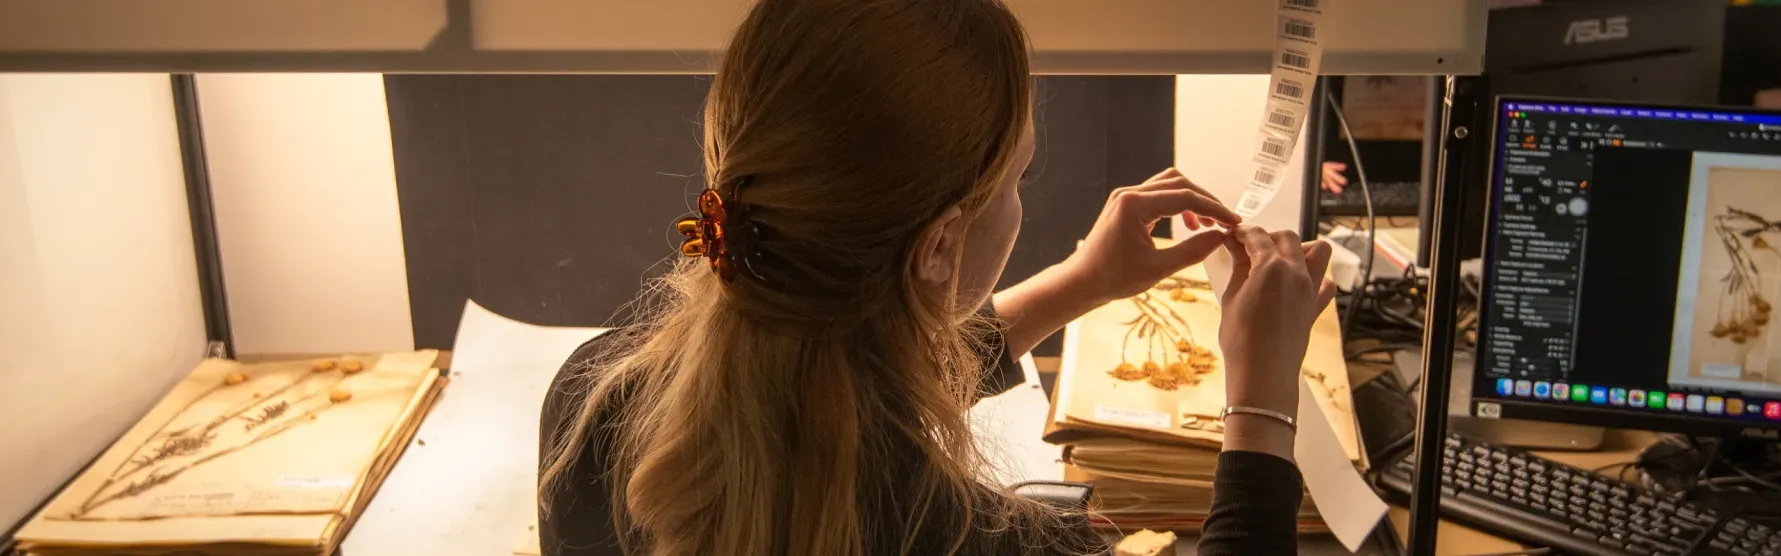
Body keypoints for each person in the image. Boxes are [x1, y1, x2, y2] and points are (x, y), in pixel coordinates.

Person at [537, 0, 1335, 554]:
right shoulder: (981, 541)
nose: (1021, 201)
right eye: (1017, 177)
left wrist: (1076, 283)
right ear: (938, 248)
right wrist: (1261, 397)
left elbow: (837, 398)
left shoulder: (591, 407)